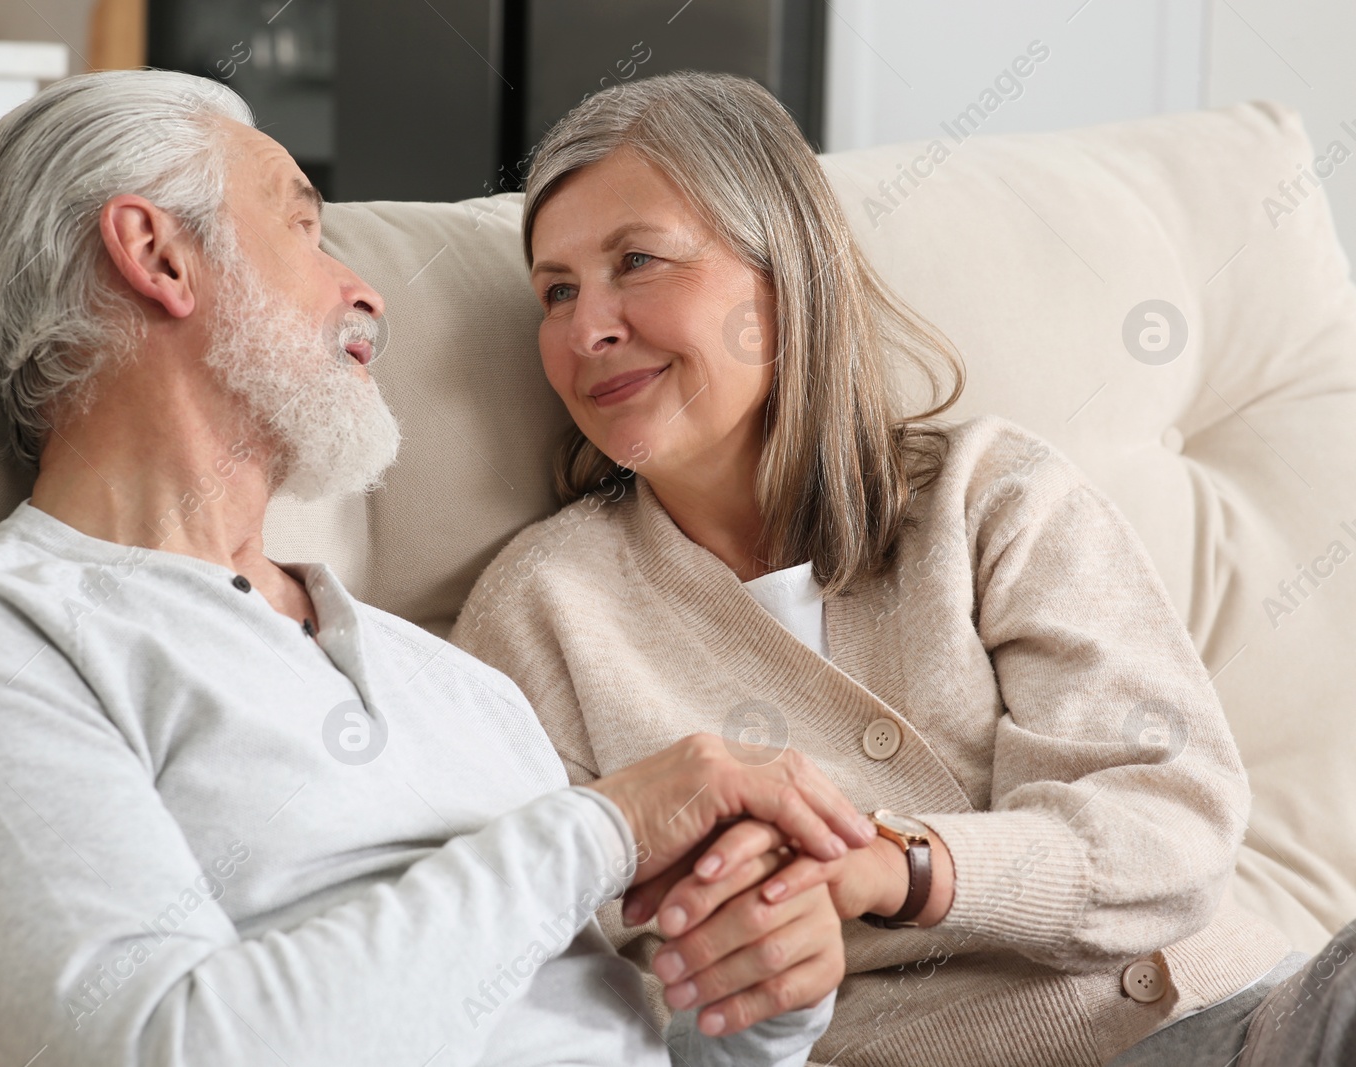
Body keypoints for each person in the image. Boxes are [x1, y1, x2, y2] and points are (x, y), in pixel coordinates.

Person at [0, 70, 864, 1067]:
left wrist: (761, 1010)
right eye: (305, 225)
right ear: (157, 255)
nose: (368, 293)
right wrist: (608, 824)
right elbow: (176, 1044)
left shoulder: (449, 683)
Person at [451, 70, 1356, 1065]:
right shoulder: (542, 613)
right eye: (556, 291)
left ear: (781, 277)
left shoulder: (991, 496)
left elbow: (1167, 826)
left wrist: (896, 868)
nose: (587, 330)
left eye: (637, 260)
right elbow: (528, 950)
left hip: (1245, 1020)